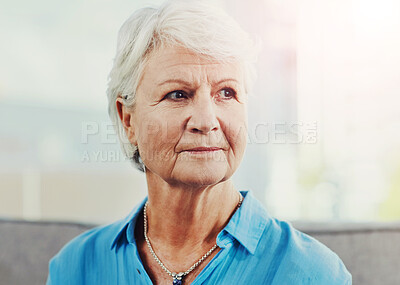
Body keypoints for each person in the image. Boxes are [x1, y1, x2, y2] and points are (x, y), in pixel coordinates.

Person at [47, 0, 352, 284]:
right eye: (178, 94)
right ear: (128, 120)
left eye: (227, 93)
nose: (207, 120)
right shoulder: (76, 268)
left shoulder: (313, 273)